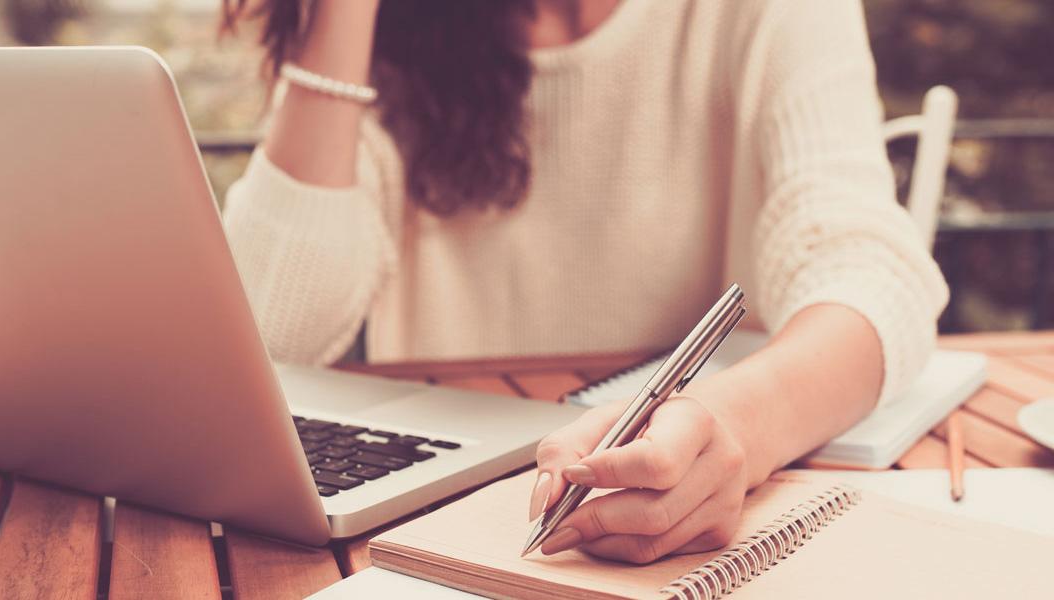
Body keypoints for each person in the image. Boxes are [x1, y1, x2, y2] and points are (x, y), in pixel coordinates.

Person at [219, 0, 948, 563]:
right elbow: (265, 332)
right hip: (439, 522)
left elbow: (872, 274)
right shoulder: (391, 30)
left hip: (684, 514)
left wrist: (737, 425)